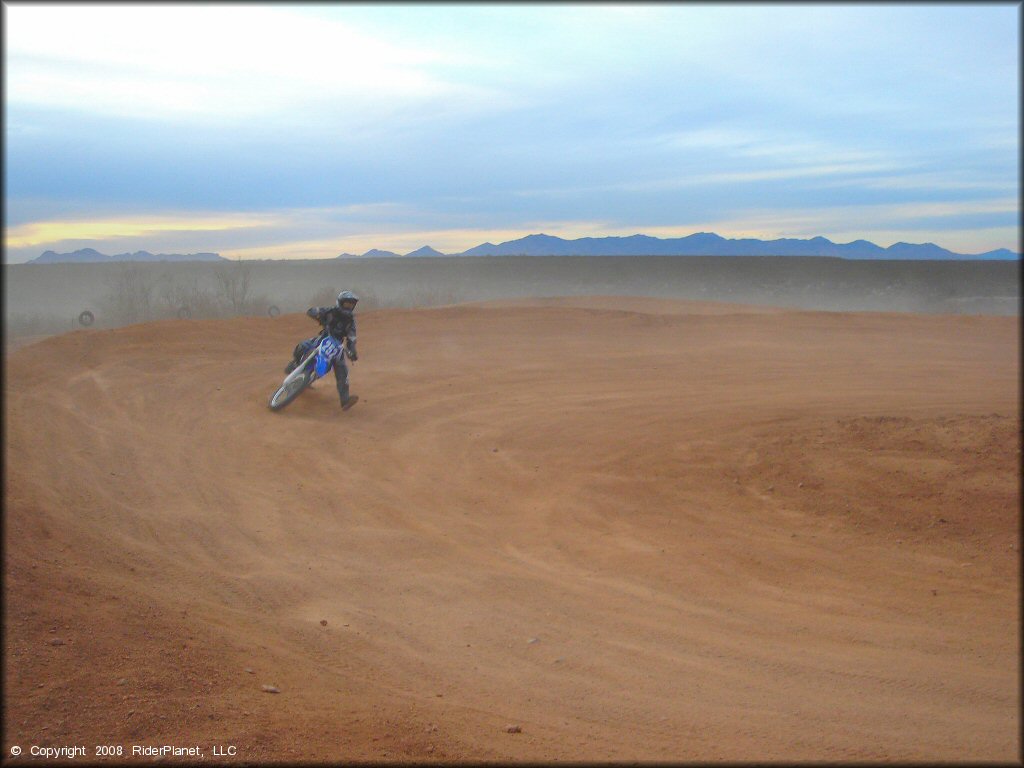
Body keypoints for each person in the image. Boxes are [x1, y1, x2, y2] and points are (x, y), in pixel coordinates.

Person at [285, 290, 359, 409]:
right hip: (323, 338)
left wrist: (352, 352)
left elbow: (352, 338)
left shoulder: (351, 321)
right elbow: (312, 311)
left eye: (351, 305)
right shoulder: (331, 311)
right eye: (347, 304)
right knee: (302, 345)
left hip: (337, 347)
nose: (349, 307)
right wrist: (318, 316)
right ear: (340, 302)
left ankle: (345, 400)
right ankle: (295, 363)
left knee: (342, 371)